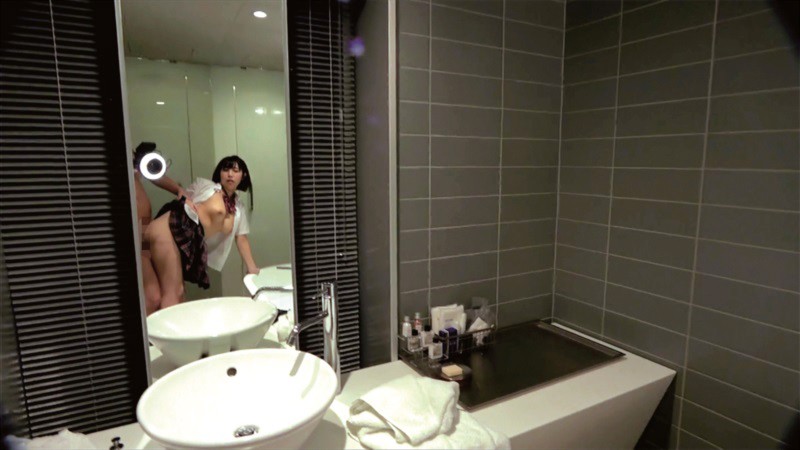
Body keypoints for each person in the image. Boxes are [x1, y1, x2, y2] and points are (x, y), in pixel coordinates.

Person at [143, 155, 257, 313]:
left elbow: (241, 238)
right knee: (175, 294)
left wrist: (252, 268)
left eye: (235, 170)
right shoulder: (206, 186)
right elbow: (179, 190)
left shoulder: (238, 208)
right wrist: (177, 190)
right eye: (226, 170)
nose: (230, 174)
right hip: (170, 229)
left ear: (243, 176)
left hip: (184, 243)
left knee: (155, 298)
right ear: (219, 173)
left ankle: (150, 329)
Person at [131, 142, 189, 315]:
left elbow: (152, 173)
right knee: (152, 297)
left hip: (144, 228)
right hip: (133, 233)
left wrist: (178, 189)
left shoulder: (132, 161)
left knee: (166, 293)